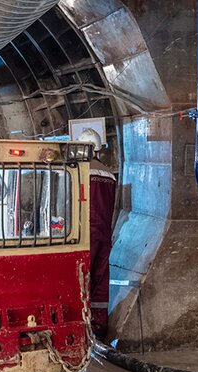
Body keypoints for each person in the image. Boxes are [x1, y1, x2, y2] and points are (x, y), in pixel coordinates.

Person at [78, 129, 116, 340]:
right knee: (100, 279)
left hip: (83, 236)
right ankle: (99, 326)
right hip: (104, 232)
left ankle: (80, 326)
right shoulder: (109, 174)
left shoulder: (79, 171)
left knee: (81, 280)